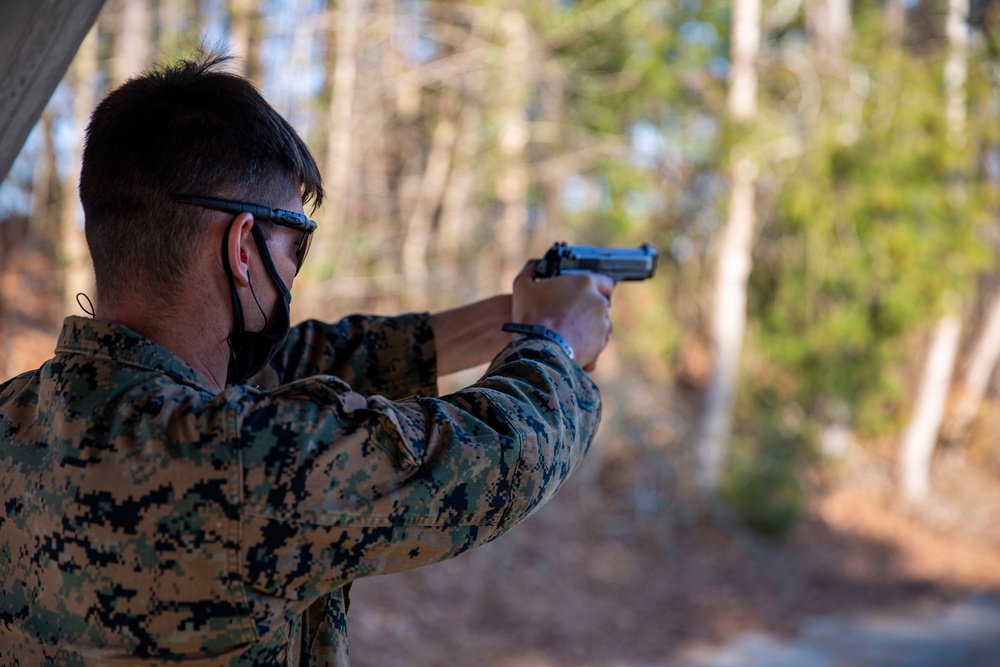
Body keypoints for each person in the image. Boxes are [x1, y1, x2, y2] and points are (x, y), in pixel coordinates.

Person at [0, 55, 614, 664]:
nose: (292, 271)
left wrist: (516, 312)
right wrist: (553, 343)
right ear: (243, 248)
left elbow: (304, 359)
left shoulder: (17, 419)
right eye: (296, 242)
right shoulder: (246, 462)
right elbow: (497, 457)